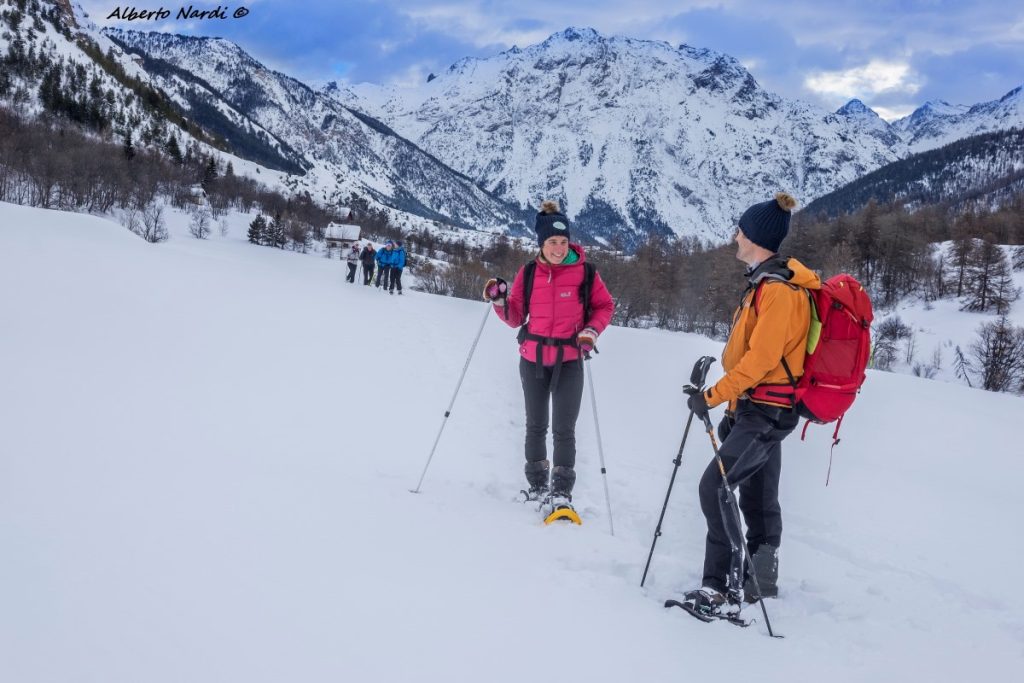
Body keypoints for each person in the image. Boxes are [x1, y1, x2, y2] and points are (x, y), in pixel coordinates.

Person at [679, 192, 821, 619]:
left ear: (756, 236)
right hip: (756, 409)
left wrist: (711, 396)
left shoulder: (778, 292)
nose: (735, 235)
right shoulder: (766, 284)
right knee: (757, 493)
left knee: (716, 486)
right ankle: (762, 574)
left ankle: (719, 587)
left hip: (765, 410)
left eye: (740, 229)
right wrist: (728, 405)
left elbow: (759, 362)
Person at [483, 200, 614, 511]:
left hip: (570, 360)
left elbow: (604, 307)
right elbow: (516, 317)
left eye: (563, 241)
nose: (559, 248)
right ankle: (537, 486)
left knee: (564, 429)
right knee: (536, 424)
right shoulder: (528, 273)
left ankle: (561, 493)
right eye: (553, 242)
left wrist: (591, 332)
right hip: (533, 360)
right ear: (541, 243)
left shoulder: (586, 272)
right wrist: (500, 301)